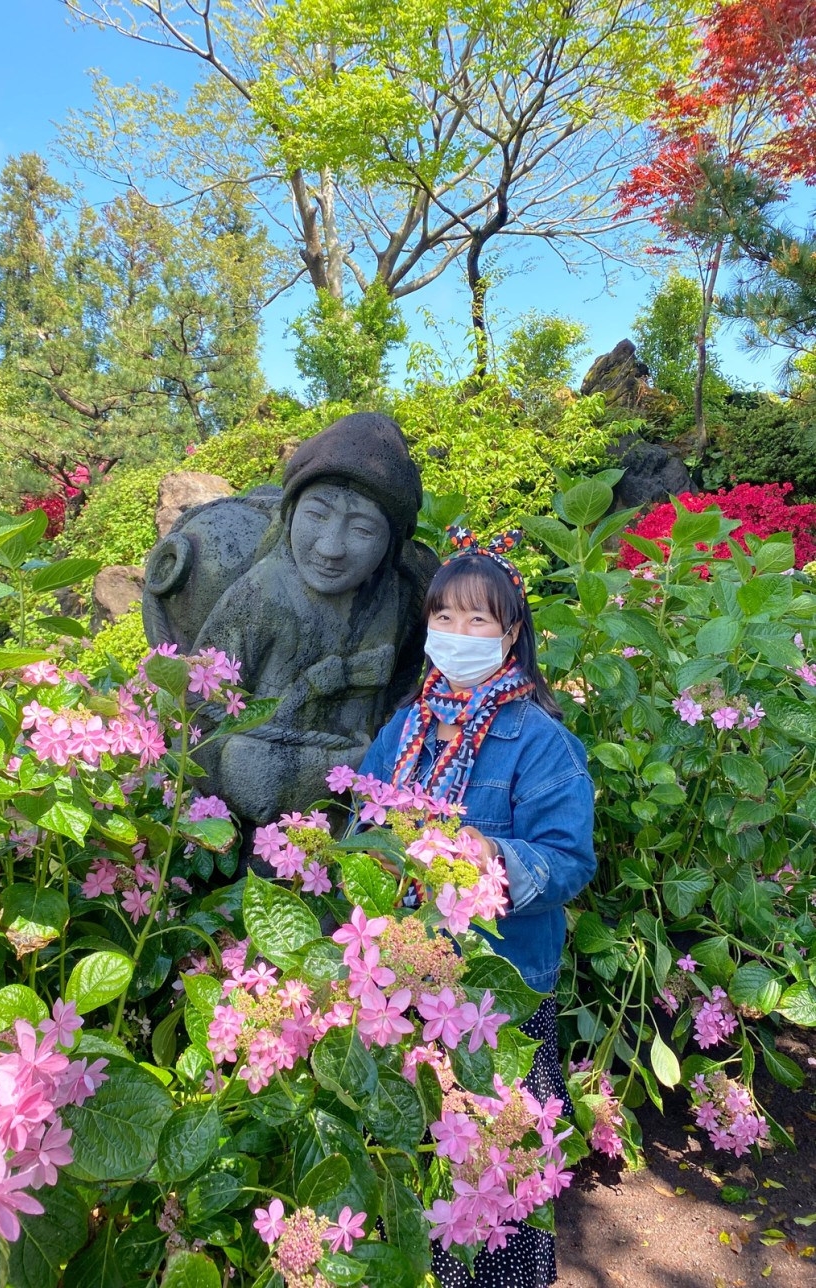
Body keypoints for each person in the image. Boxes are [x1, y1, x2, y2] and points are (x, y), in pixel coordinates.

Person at [358, 529, 596, 1288]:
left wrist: (492, 856)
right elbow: (360, 822)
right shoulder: (405, 730)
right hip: (401, 987)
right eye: (445, 621)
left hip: (500, 992)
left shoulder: (541, 741)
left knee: (498, 1173)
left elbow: (569, 863)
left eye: (479, 622)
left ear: (512, 635)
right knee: (410, 1161)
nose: (459, 637)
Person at [186, 413, 437, 825]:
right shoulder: (260, 595)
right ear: (290, 515)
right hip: (258, 801)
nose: (330, 547)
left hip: (357, 799)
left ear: (391, 544)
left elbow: (404, 697)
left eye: (362, 529)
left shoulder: (401, 597)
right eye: (316, 515)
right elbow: (196, 714)